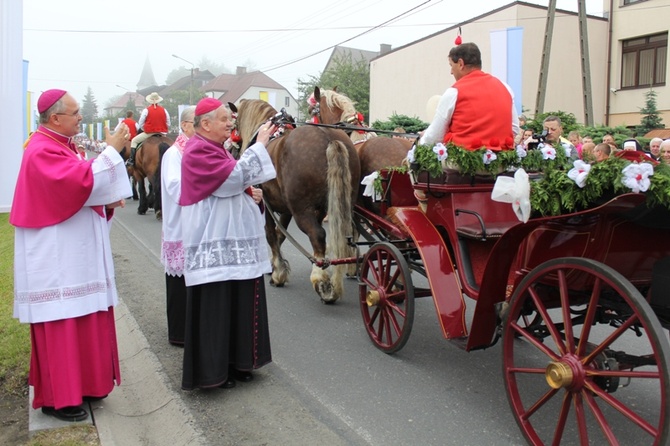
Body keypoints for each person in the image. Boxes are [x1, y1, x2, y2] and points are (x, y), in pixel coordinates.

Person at [10, 89, 132, 422]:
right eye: (76, 113)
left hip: (74, 252)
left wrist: (105, 201)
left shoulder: (62, 145)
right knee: (63, 318)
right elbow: (74, 182)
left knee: (85, 313)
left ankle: (88, 385)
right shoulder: (40, 150)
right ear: (55, 118)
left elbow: (83, 188)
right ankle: (58, 398)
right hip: (55, 257)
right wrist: (112, 151)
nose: (81, 118)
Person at [179, 98, 277, 390]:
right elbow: (229, 179)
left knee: (238, 303)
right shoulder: (197, 150)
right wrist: (259, 144)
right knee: (217, 307)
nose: (230, 123)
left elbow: (231, 183)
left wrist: (251, 193)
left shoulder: (215, 147)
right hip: (214, 241)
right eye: (224, 119)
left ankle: (238, 362)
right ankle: (214, 372)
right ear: (205, 124)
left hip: (231, 239)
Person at [420, 42, 519, 150]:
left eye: (452, 66)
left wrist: (421, 142)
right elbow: (514, 128)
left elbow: (434, 136)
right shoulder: (505, 87)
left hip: (463, 163)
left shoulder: (454, 92)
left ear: (461, 64)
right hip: (501, 162)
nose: (451, 72)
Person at [160, 106, 196, 347]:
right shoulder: (174, 154)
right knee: (179, 282)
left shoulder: (196, 151)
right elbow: (176, 187)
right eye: (197, 122)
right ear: (184, 125)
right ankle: (179, 333)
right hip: (180, 224)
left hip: (196, 225)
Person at [127, 92, 171, 166]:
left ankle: (131, 160)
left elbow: (140, 123)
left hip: (149, 133)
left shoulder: (146, 110)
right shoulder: (164, 110)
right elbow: (168, 123)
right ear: (158, 100)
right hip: (162, 134)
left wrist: (145, 128)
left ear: (150, 100)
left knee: (134, 141)